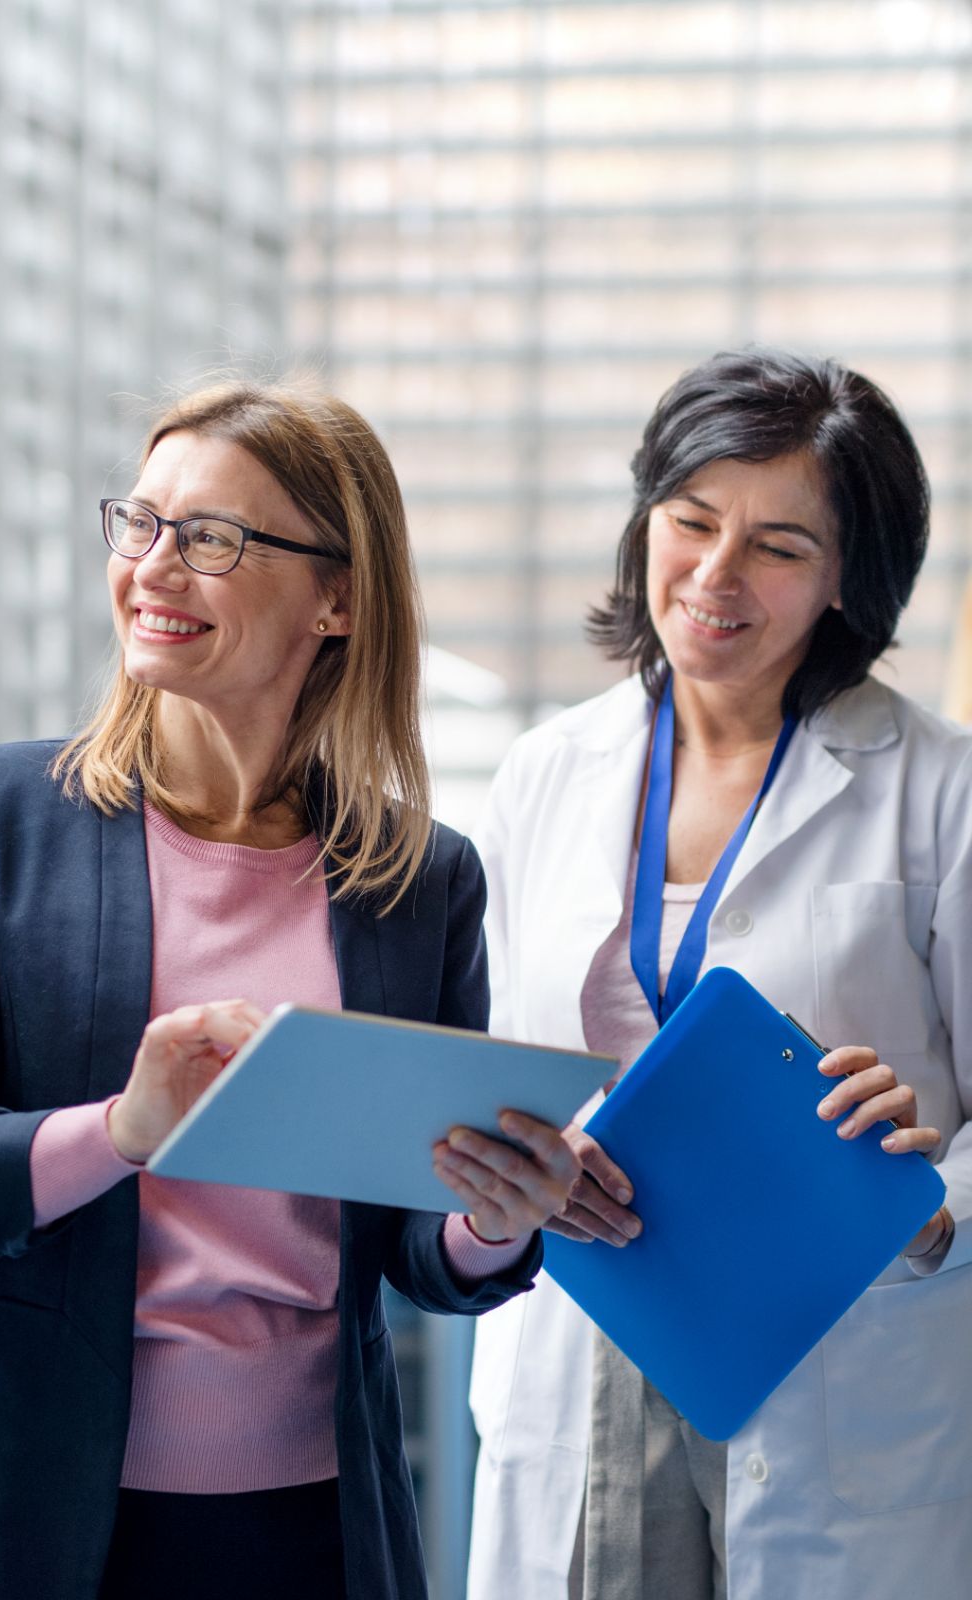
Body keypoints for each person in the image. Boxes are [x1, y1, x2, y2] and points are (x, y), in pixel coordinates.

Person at [0, 381, 581, 1600]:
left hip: (307, 1534)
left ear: (336, 597)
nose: (154, 570)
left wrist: (498, 1217)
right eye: (141, 524)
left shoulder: (418, 879)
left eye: (213, 539)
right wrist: (123, 1130)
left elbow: (411, 1254)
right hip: (10, 1514)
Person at [466, 347, 972, 1600]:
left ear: (850, 577)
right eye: (689, 521)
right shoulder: (546, 772)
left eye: (779, 547)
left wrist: (935, 1205)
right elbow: (485, 1061)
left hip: (831, 1344)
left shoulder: (938, 791)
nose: (713, 575)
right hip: (582, 1326)